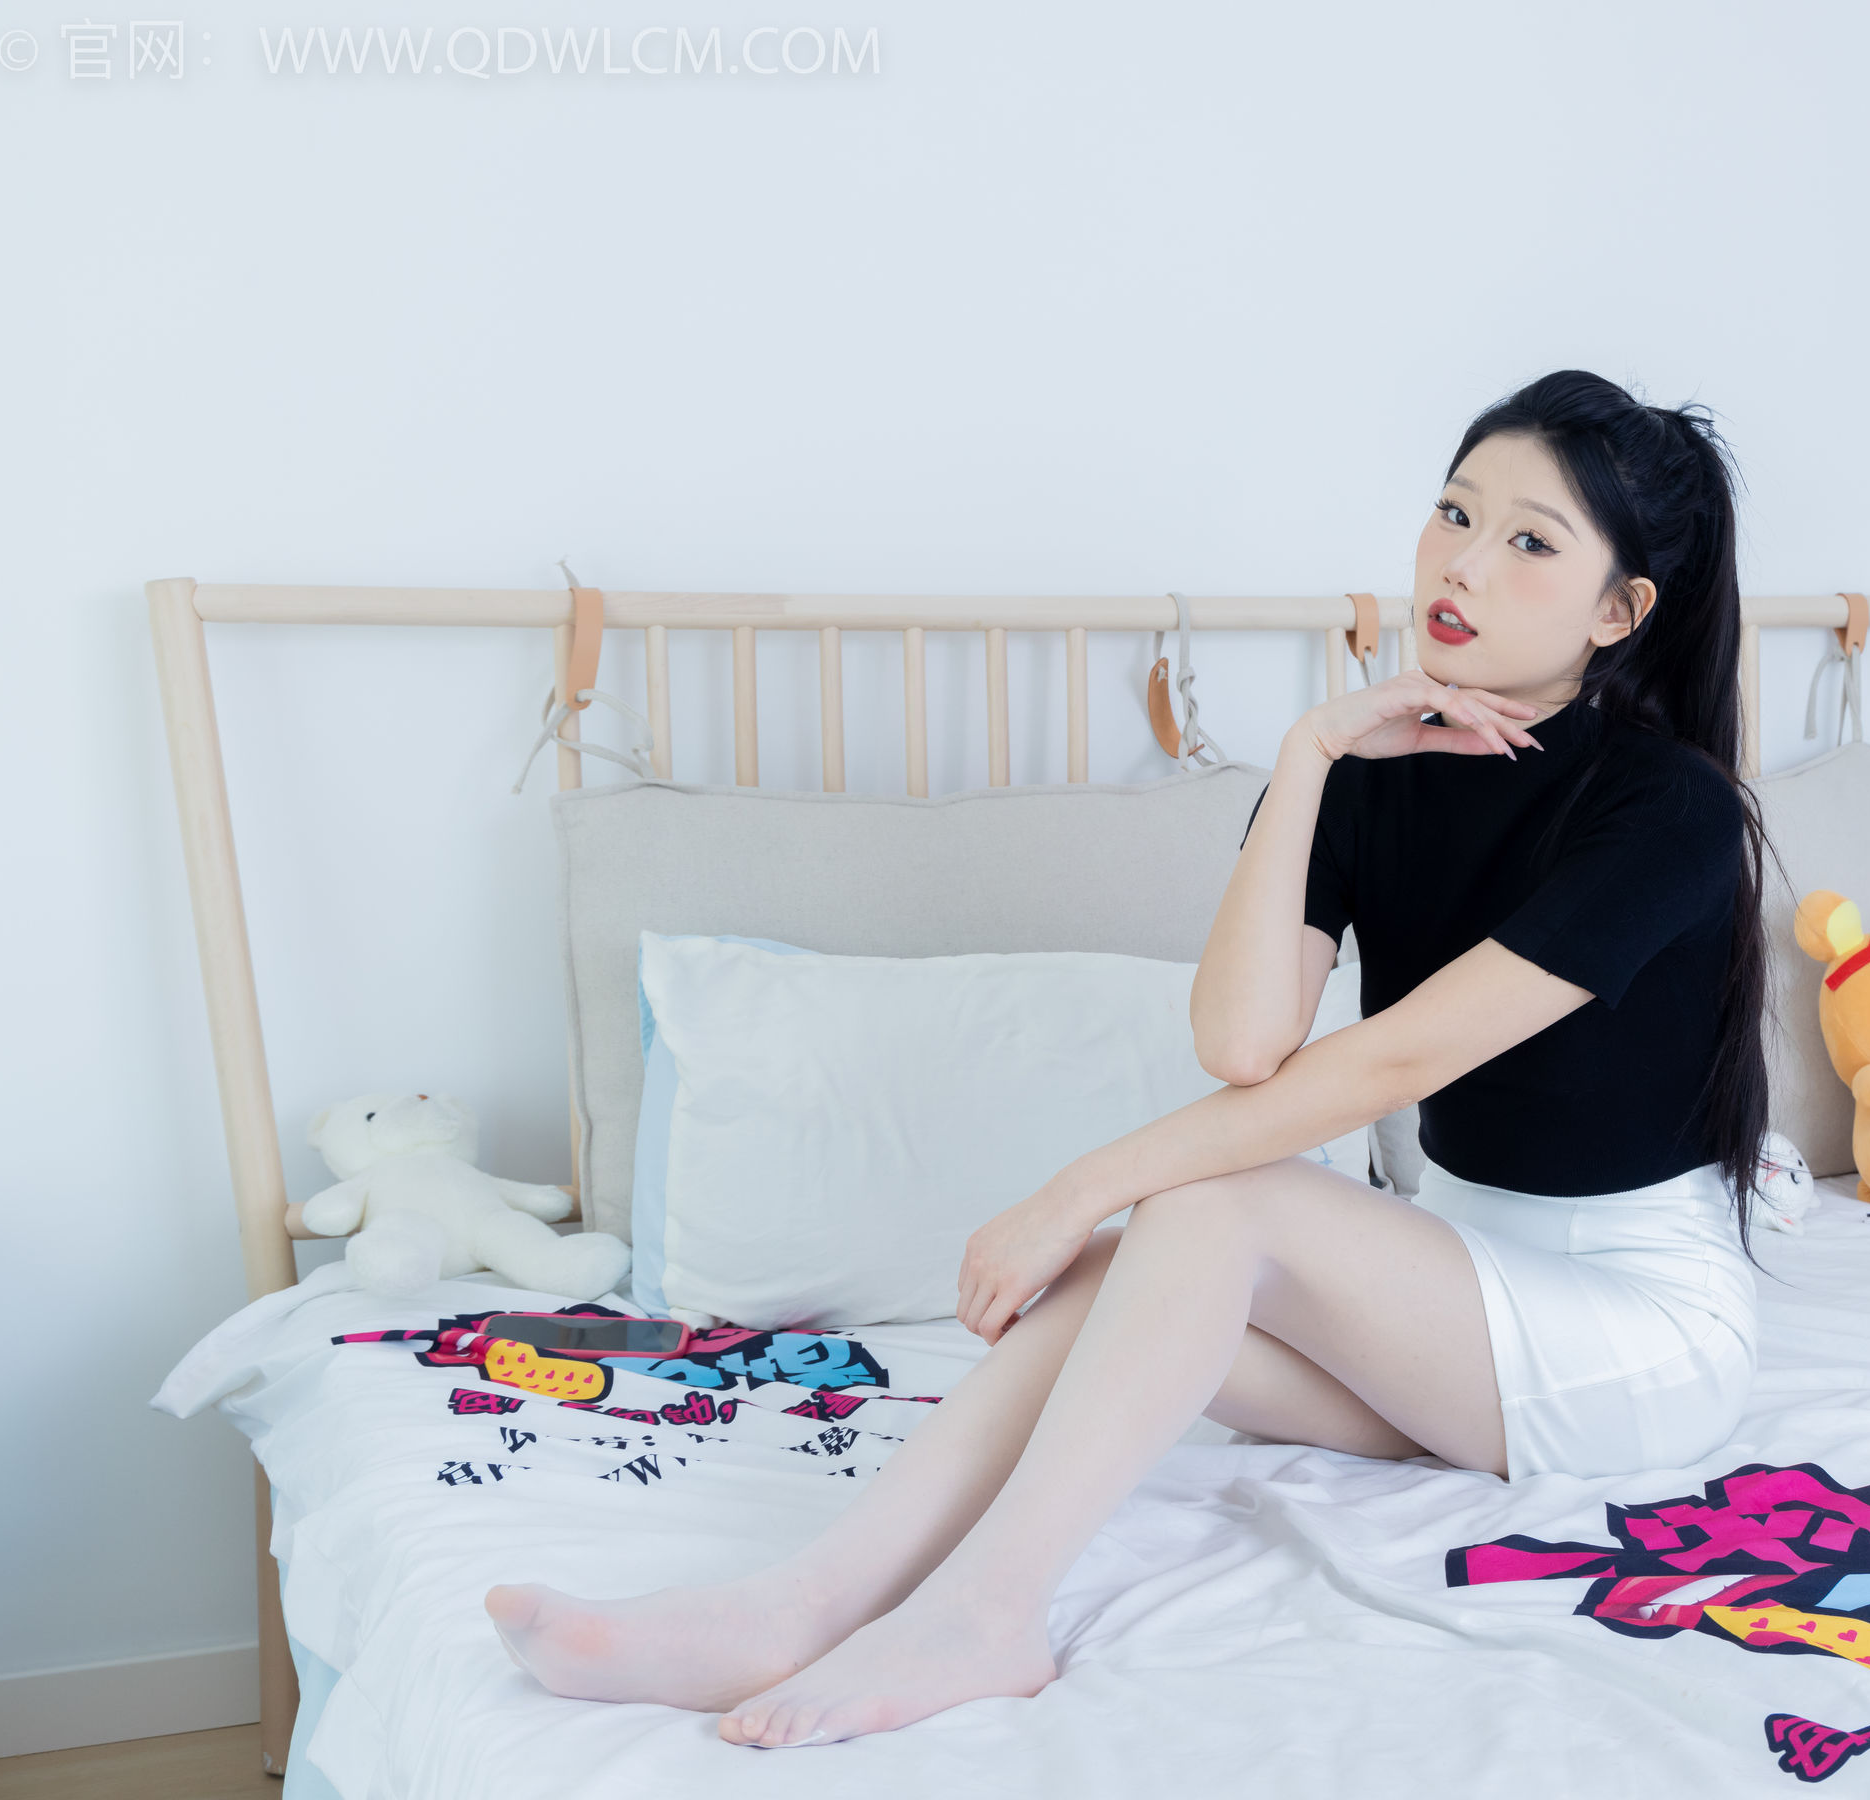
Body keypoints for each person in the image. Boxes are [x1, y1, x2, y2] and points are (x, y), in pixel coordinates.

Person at [483, 368, 1775, 1748]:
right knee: (1125, 1272)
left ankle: (988, 1614)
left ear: (1618, 611)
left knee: (1203, 1207)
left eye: (1529, 541)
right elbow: (1241, 1041)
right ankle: (795, 1604)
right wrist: (1309, 755)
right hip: (1446, 1320)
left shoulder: (1669, 811)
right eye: (1453, 514)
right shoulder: (1372, 766)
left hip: (1628, 1334)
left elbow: (1375, 1072)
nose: (1460, 564)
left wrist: (1076, 1185)